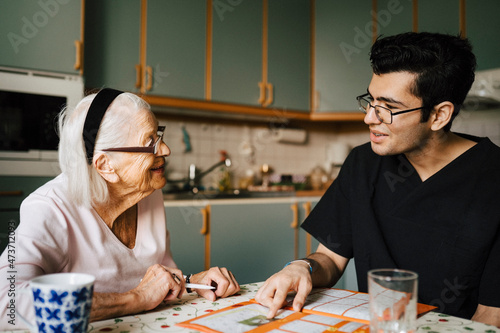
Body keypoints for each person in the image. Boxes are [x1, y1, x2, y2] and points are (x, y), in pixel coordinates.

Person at [255, 32, 500, 327]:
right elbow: (330, 260)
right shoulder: (363, 163)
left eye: (389, 108)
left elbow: (491, 316)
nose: (370, 117)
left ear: (439, 115)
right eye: (371, 101)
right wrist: (300, 268)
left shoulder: (492, 177)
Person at [0, 88, 240, 329]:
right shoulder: (50, 207)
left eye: (159, 136)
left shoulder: (148, 193)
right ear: (106, 166)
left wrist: (191, 282)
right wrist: (135, 299)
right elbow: (6, 302)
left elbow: (158, 278)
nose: (165, 150)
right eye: (150, 144)